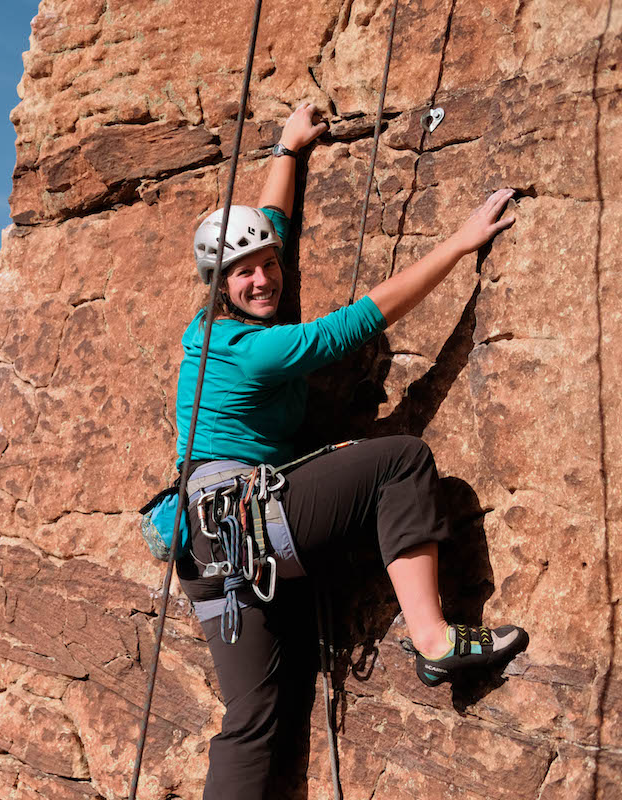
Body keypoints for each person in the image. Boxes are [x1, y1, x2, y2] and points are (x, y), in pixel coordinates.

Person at [174, 102, 528, 800]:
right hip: (252, 524)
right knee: (399, 461)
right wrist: (458, 245)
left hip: (207, 547)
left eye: (267, 266)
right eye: (243, 273)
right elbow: (359, 322)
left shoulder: (208, 330)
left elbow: (273, 227)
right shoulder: (256, 350)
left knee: (253, 714)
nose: (263, 279)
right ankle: (433, 640)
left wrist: (288, 148)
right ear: (220, 286)